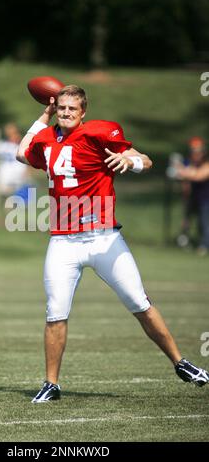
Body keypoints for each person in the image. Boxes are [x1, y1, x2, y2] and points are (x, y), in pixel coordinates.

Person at [16, 85, 209, 403]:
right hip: (63, 241)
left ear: (83, 113)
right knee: (55, 312)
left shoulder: (99, 133)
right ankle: (51, 384)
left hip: (104, 238)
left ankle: (180, 363)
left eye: (71, 109)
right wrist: (44, 113)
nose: (66, 113)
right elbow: (22, 152)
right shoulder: (47, 139)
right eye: (61, 107)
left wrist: (128, 162)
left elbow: (143, 159)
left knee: (140, 304)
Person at [175, 137, 209, 256]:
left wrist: (184, 172)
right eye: (193, 150)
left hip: (205, 199)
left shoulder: (206, 164)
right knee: (186, 221)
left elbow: (199, 176)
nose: (195, 153)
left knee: (204, 223)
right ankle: (184, 241)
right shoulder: (188, 162)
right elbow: (185, 181)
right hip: (192, 198)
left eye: (198, 150)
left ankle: (204, 245)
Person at [0, 123, 32, 199]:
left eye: (15, 133)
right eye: (10, 134)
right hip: (5, 179)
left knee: (20, 204)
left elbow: (29, 163)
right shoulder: (2, 146)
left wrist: (27, 174)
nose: (14, 136)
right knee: (5, 202)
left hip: (20, 180)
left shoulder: (24, 146)